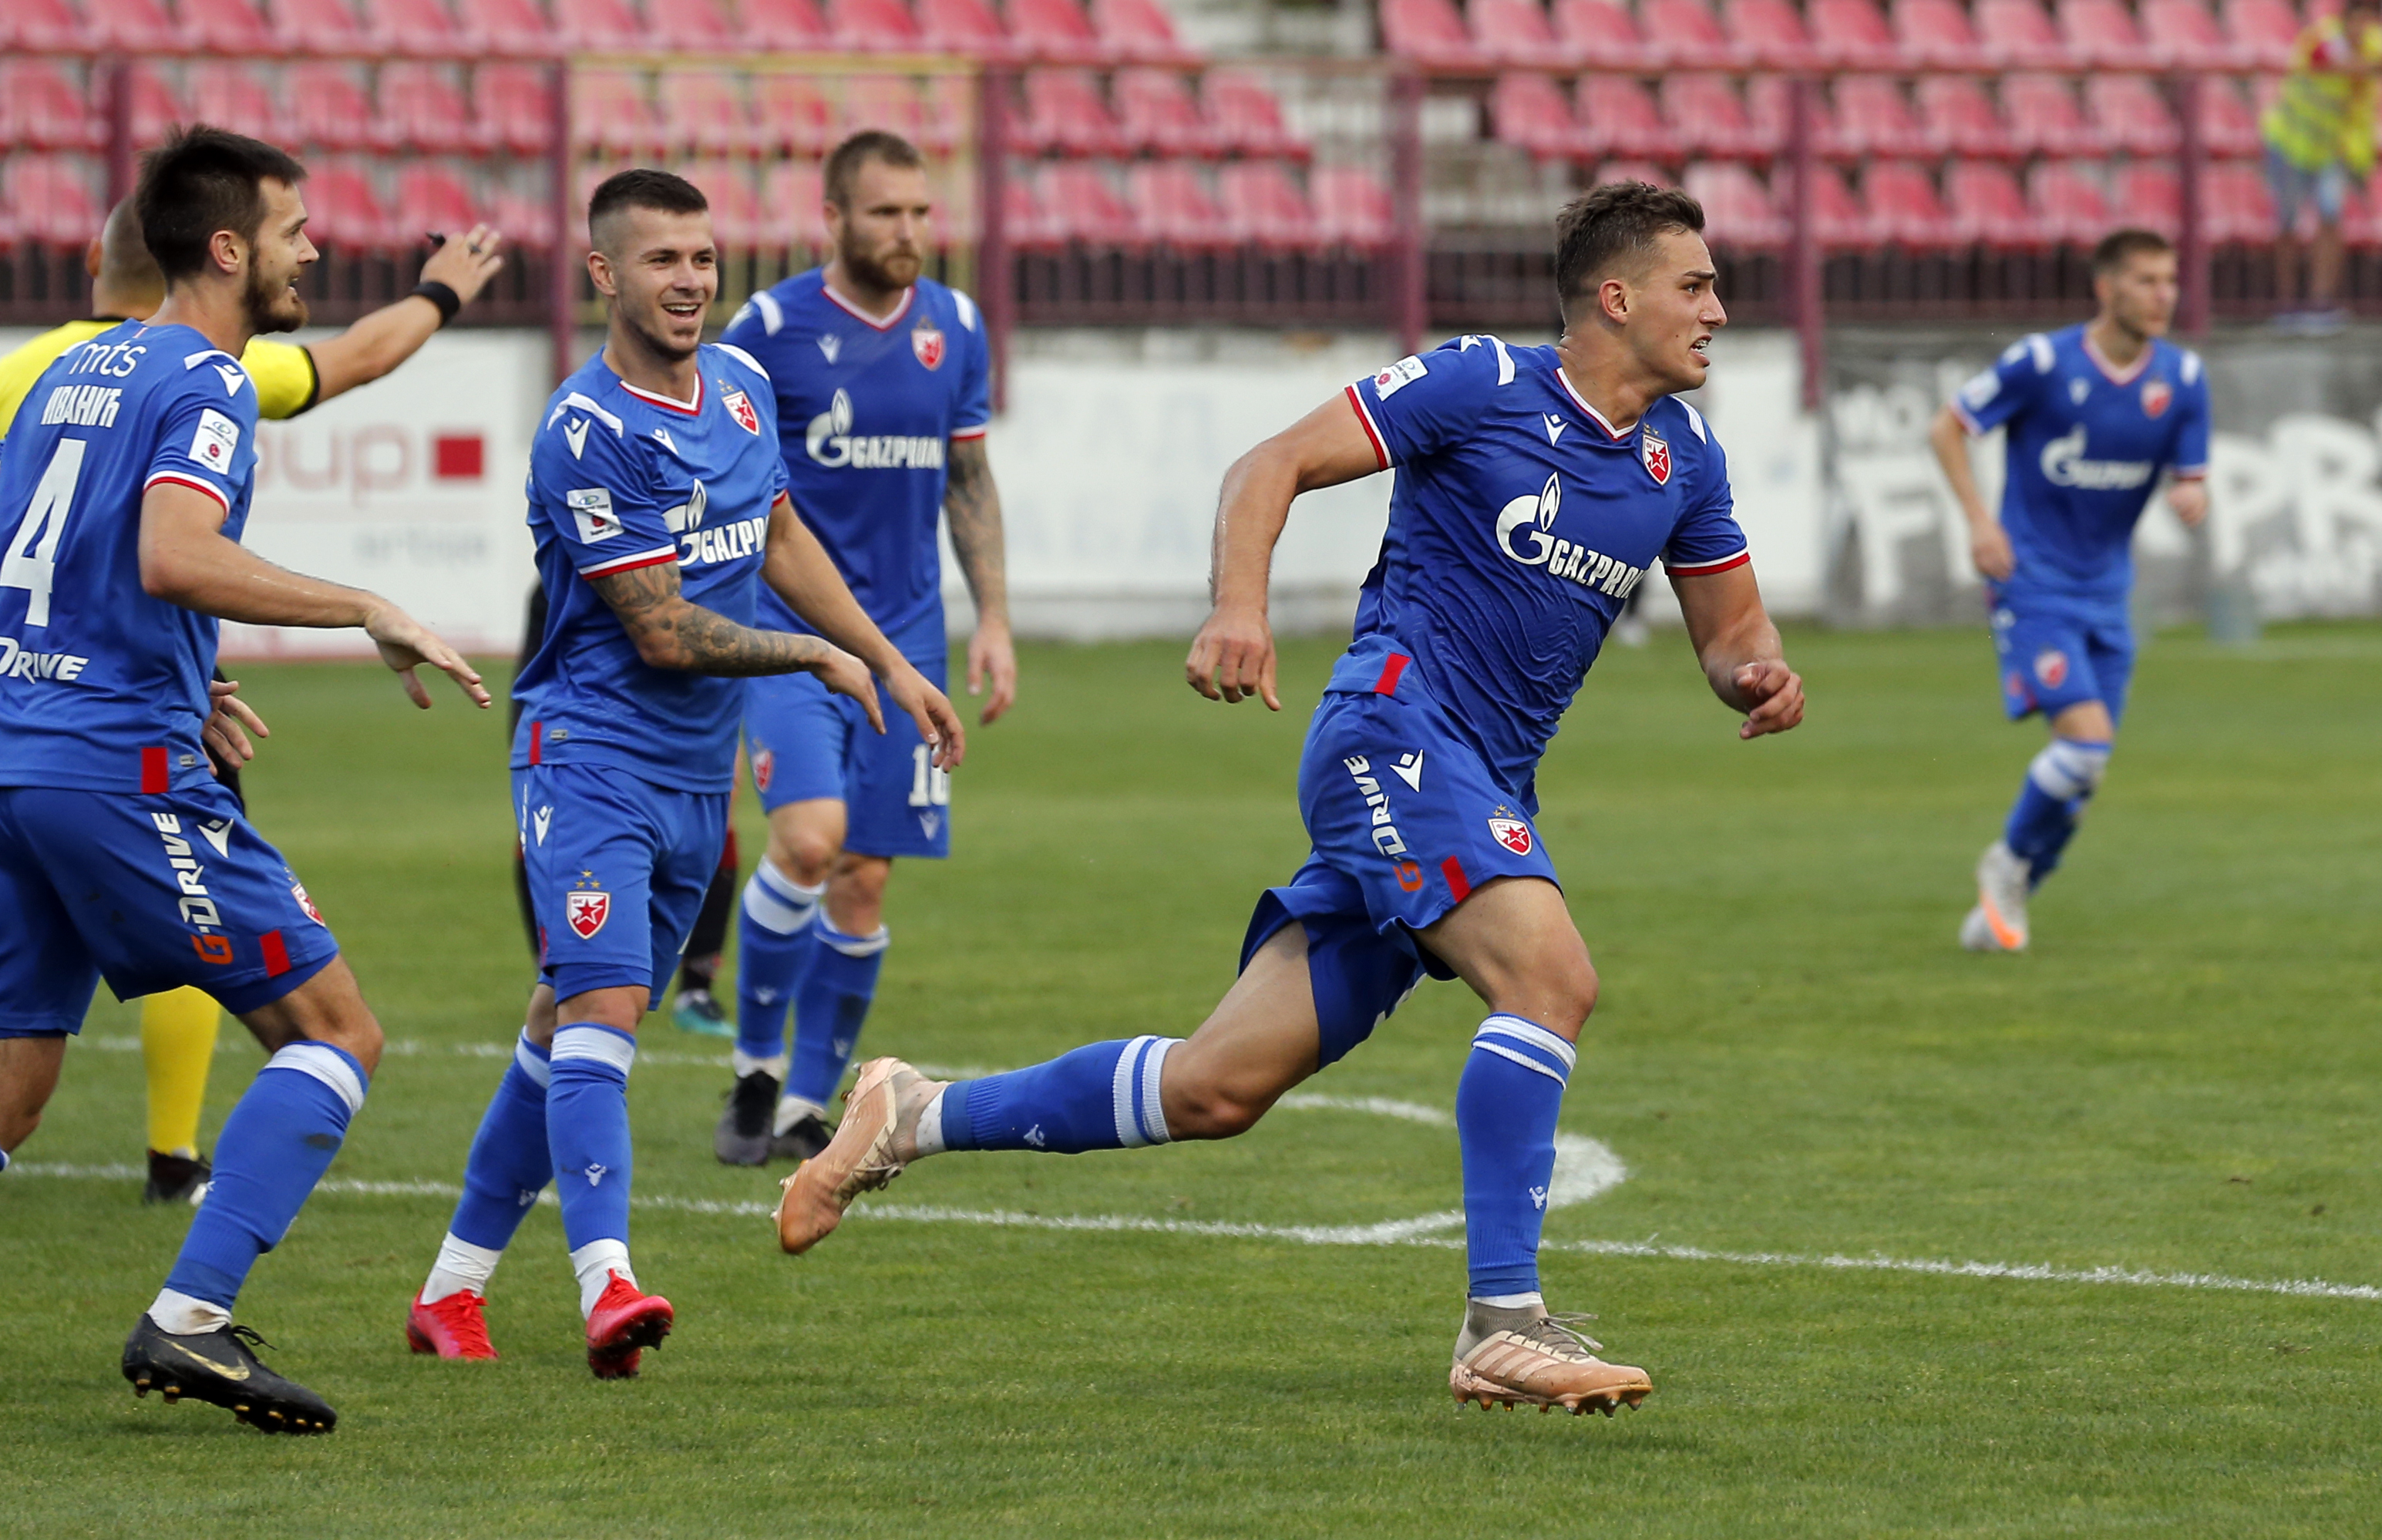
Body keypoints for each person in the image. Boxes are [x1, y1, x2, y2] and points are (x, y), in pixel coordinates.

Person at [772, 182, 1805, 1414]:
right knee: (1550, 979)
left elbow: (1730, 630)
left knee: (1213, 1088)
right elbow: (1273, 462)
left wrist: (1756, 672)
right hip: (1393, 730)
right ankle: (1501, 1320)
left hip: (1475, 775)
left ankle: (913, 1113)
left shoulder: (1681, 458)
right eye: (1696, 287)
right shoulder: (1479, 382)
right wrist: (1239, 605)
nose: (1720, 312)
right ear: (1615, 296)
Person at [402, 170, 964, 1377]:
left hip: (694, 777)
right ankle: (609, 1285)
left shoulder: (747, 389)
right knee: (602, 1009)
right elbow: (660, 629)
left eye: (704, 258)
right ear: (605, 274)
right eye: (663, 260)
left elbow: (777, 534)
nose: (691, 280)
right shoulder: (587, 429)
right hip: (590, 757)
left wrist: (881, 655)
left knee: (563, 1026)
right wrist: (813, 653)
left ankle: (450, 1292)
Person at [0, 126, 491, 1434]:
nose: (313, 248)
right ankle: (193, 1316)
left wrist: (175, 670)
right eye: (294, 229)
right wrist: (366, 604)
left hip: (21, 747)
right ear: (228, 248)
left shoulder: (64, 366)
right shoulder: (208, 382)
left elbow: (55, 564)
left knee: (15, 1081)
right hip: (112, 768)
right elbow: (171, 549)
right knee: (336, 1033)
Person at [710, 130, 1014, 1167]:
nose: (910, 232)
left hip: (913, 643)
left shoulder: (955, 326)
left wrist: (998, 621)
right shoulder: (769, 328)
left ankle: (805, 1102)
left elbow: (968, 483)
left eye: (922, 212)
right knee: (806, 839)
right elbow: (731, 484)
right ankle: (754, 1071)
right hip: (790, 638)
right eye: (886, 212)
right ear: (833, 218)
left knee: (865, 880)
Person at [1928, 227, 2209, 953]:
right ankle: (2005, 869)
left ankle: (2013, 878)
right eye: (2146, 280)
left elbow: (2193, 473)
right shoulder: (2043, 362)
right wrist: (1981, 522)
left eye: (2169, 280)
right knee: (2083, 749)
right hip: (2033, 583)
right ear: (2106, 287)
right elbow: (1949, 428)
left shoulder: (2181, 380)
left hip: (2108, 592)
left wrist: (2192, 495)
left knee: (2087, 771)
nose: (2162, 295)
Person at [506, 581, 744, 1039]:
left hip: (687, 734)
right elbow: (536, 669)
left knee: (718, 831)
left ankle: (697, 987)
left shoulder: (709, 564)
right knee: (533, 837)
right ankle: (559, 968)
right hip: (580, 737)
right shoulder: (567, 572)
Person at [2259, 0, 2382, 327]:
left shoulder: (2374, 43)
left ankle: (2321, 302)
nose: (2364, 28)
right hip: (2290, 145)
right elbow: (2330, 61)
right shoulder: (2321, 38)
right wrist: (2369, 67)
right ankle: (2285, 302)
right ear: (2347, 18)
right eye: (2360, 20)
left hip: (2330, 151)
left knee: (2330, 218)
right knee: (2286, 223)